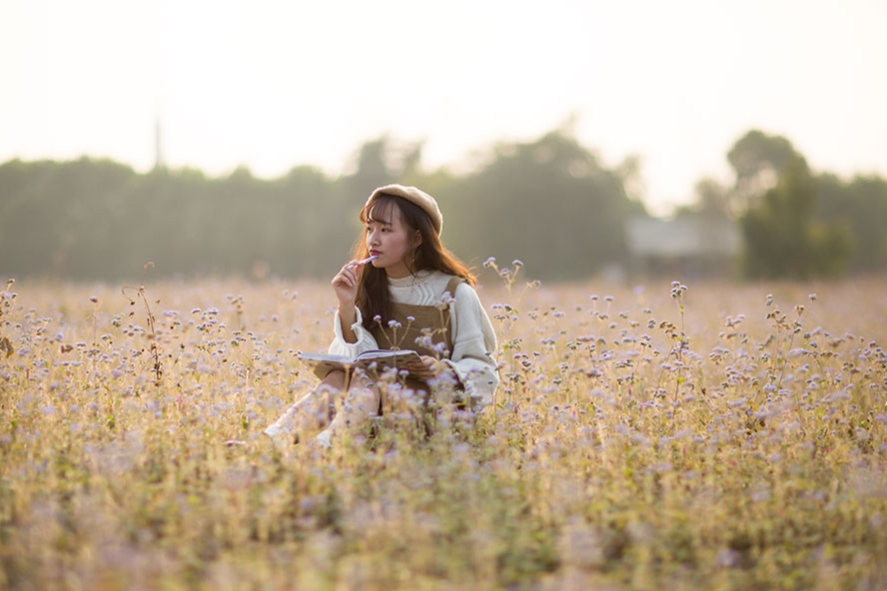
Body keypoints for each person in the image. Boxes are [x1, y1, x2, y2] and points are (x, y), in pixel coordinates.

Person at [264, 184, 499, 448]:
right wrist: (346, 305)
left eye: (386, 230)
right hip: (373, 407)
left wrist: (440, 370)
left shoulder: (456, 292)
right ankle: (274, 443)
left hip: (432, 415)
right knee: (340, 377)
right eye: (369, 228)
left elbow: (485, 374)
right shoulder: (368, 286)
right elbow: (353, 362)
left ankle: (329, 449)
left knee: (367, 378)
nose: (373, 240)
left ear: (417, 238)